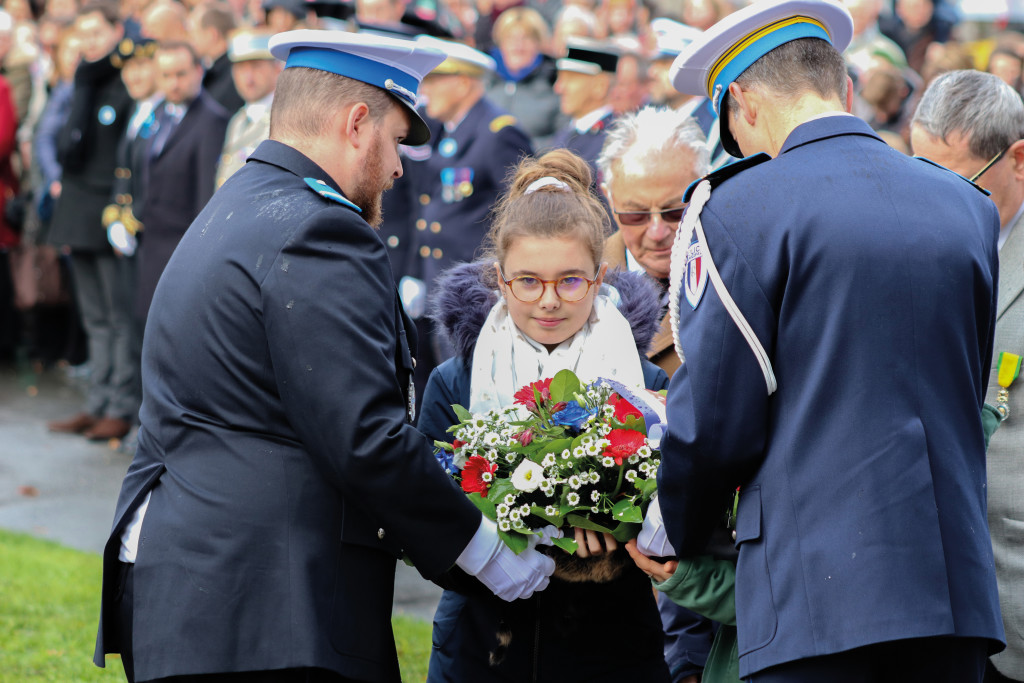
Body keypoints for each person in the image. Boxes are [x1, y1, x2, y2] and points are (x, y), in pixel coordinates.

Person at [93, 28, 555, 683]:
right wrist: (485, 552)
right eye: (396, 141)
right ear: (357, 123)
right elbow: (363, 435)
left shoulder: (241, 202)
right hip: (266, 608)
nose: (399, 168)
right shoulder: (318, 226)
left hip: (202, 592)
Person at [636, 0, 1005, 681]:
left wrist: (672, 532)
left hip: (817, 597)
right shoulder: (967, 205)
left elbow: (716, 415)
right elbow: (966, 385)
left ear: (741, 102)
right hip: (952, 594)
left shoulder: (741, 207)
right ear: (846, 89)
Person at [418, 148, 671, 683]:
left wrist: (618, 541)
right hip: (483, 648)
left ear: (600, 276)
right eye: (527, 281)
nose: (549, 301)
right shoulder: (455, 382)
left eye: (571, 281)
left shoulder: (646, 385)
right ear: (498, 279)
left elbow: (676, 514)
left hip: (610, 648)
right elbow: (422, 520)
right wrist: (484, 555)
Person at [910, 69, 1024, 683]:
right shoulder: (900, 237)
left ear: (1019, 161)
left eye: (955, 184)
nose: (929, 203)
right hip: (929, 597)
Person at [403, 36, 532, 398]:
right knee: (441, 391)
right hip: (439, 281)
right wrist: (416, 272)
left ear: (462, 83)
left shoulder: (497, 132)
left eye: (434, 81)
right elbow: (428, 208)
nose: (425, 92)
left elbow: (521, 215)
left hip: (478, 291)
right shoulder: (445, 131)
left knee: (475, 394)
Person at [46, 0, 136, 441]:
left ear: (118, 31)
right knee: (95, 316)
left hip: (108, 211)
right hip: (79, 209)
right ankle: (98, 401)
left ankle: (120, 404)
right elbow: (67, 145)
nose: (90, 42)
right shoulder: (83, 79)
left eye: (97, 32)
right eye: (83, 34)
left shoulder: (127, 78)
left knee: (118, 316)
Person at [597, 105, 708, 376]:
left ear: (706, 187)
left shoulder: (740, 271)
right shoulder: (578, 281)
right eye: (636, 215)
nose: (657, 233)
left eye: (675, 212)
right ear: (610, 199)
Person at [133, 40, 229, 323]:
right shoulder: (159, 113)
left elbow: (205, 197)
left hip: (182, 247)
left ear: (199, 71)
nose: (173, 83)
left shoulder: (212, 120)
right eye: (166, 76)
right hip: (151, 242)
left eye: (181, 74)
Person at [484, 7, 564, 150]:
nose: (518, 45)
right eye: (510, 38)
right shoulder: (485, 81)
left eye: (526, 38)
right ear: (500, 43)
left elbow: (563, 137)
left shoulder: (553, 82)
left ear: (538, 43)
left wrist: (521, 149)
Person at [214, 29, 280, 188]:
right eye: (241, 68)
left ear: (277, 68)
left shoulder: (282, 119)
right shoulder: (238, 120)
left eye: (256, 66)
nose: (248, 77)